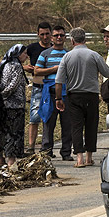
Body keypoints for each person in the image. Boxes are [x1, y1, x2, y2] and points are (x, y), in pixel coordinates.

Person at [55, 28, 109, 168]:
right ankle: (89, 157)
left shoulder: (67, 57)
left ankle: (79, 159)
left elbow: (59, 81)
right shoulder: (94, 55)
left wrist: (58, 99)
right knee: (91, 125)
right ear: (85, 40)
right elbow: (108, 73)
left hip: (74, 96)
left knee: (76, 126)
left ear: (72, 40)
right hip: (91, 96)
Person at [34, 25, 70, 160]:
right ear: (52, 38)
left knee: (67, 124)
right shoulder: (45, 54)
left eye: (61, 35)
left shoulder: (68, 54)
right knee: (48, 122)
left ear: (65, 37)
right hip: (50, 93)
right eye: (56, 35)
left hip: (66, 93)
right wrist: (54, 69)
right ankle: (46, 152)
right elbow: (37, 71)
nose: (59, 38)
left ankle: (66, 153)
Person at [0, 44, 29, 168]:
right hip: (15, 106)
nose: (26, 56)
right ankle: (11, 160)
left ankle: (0, 159)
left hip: (2, 106)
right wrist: (4, 94)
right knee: (14, 132)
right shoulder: (17, 66)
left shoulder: (3, 64)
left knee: (2, 131)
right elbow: (14, 85)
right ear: (17, 54)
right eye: (24, 53)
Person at [23, 22, 53, 155]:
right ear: (38, 35)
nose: (45, 37)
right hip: (37, 87)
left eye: (47, 34)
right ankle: (31, 147)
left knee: (49, 119)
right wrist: (25, 67)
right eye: (42, 34)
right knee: (34, 118)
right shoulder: (32, 48)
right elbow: (17, 59)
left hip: (52, 87)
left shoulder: (55, 48)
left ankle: (47, 148)